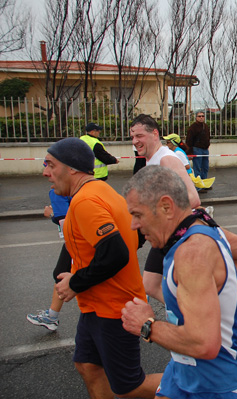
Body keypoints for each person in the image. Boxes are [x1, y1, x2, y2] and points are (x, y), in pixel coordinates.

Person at [121, 165, 237, 398]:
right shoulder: (201, 227)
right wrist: (210, 296)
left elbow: (203, 344)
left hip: (220, 384)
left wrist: (146, 325)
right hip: (184, 370)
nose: (133, 225)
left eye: (138, 214)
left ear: (166, 206)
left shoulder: (191, 253)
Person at [43, 137, 161, 398]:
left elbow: (115, 253)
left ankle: (205, 384)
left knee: (131, 387)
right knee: (88, 366)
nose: (45, 172)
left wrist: (75, 283)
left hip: (113, 309)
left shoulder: (86, 202)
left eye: (50, 164)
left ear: (71, 168)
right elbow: (131, 237)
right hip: (96, 306)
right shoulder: (101, 191)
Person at [130, 114, 202, 302]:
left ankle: (193, 315)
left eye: (139, 136)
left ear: (155, 133)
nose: (135, 141)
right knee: (151, 285)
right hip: (166, 232)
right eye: (132, 137)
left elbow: (193, 199)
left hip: (180, 233)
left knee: (161, 284)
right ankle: (188, 312)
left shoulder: (166, 160)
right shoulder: (151, 160)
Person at [26, 188, 72, 331]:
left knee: (65, 275)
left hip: (77, 241)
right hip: (78, 240)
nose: (45, 172)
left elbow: (67, 226)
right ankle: (52, 316)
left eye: (50, 165)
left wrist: (52, 214)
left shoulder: (58, 191)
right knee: (60, 273)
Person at [185, 111, 210, 179]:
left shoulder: (205, 126)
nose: (201, 118)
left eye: (202, 116)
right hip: (197, 149)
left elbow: (208, 137)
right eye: (199, 116)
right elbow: (189, 140)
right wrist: (190, 152)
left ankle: (204, 183)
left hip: (205, 150)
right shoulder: (193, 127)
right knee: (197, 168)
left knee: (205, 167)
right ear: (196, 117)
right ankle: (198, 186)